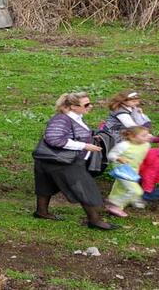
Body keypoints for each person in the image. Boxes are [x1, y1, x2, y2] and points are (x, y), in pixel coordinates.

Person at [31, 92, 118, 230]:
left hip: (51, 160)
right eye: (86, 104)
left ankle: (41, 212)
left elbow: (75, 134)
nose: (90, 106)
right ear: (72, 106)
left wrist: (93, 137)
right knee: (83, 186)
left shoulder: (77, 117)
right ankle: (94, 220)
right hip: (62, 161)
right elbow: (54, 139)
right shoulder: (62, 119)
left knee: (45, 185)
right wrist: (84, 145)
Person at [105, 126, 152, 217]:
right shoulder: (124, 145)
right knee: (136, 191)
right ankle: (115, 205)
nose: (147, 137)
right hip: (122, 171)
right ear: (132, 137)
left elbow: (148, 136)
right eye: (144, 135)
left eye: (147, 135)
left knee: (120, 188)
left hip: (133, 171)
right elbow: (111, 155)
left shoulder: (146, 144)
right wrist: (118, 158)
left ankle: (114, 207)